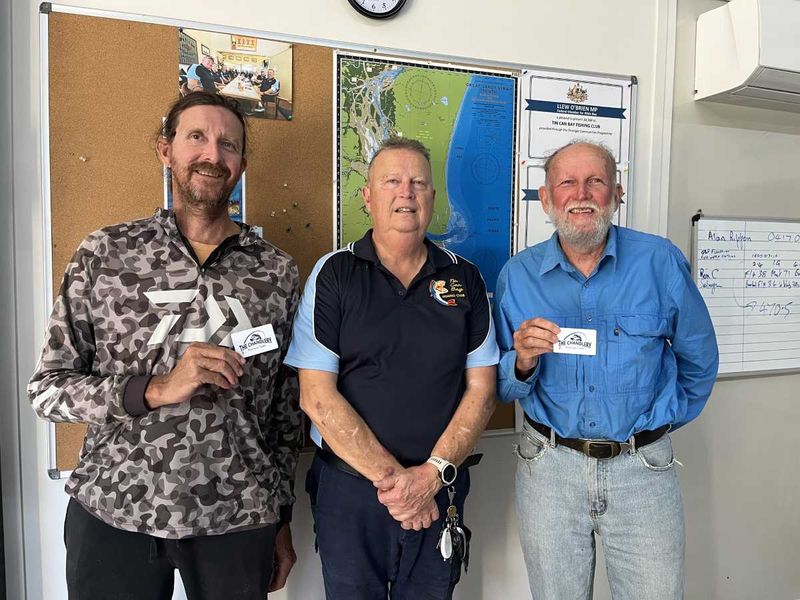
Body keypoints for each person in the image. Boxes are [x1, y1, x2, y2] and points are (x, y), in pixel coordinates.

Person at [28, 91, 302, 600]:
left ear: (241, 164)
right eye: (196, 137)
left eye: (228, 144)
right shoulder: (105, 253)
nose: (212, 154)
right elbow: (47, 391)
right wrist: (154, 389)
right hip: (114, 508)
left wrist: (282, 515)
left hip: (238, 517)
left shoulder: (277, 272)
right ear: (165, 150)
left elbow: (285, 413)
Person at [494, 141, 719, 599]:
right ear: (546, 198)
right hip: (550, 472)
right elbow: (497, 384)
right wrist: (522, 360)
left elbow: (700, 361)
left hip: (643, 473)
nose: (582, 194)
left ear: (617, 192)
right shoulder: (517, 276)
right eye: (567, 182)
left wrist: (656, 425)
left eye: (595, 181)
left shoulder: (660, 262)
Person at [285, 136, 499, 599]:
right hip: (350, 493)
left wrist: (429, 477)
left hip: (439, 486)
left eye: (418, 183)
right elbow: (316, 397)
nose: (407, 193)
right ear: (367, 196)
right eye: (392, 182)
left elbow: (483, 391)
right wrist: (399, 486)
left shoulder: (464, 278)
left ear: (432, 197)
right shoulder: (334, 274)